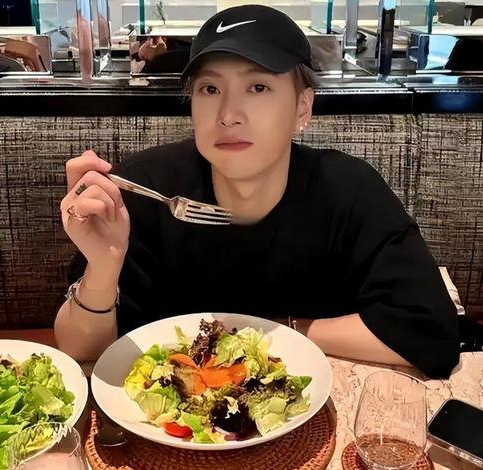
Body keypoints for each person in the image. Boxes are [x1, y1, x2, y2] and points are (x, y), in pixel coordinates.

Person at [55, 4, 459, 379]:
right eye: (210, 89)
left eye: (259, 87)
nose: (229, 115)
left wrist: (279, 332)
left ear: (302, 108)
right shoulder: (146, 188)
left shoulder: (347, 191)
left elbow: (431, 333)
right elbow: (81, 350)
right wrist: (103, 266)